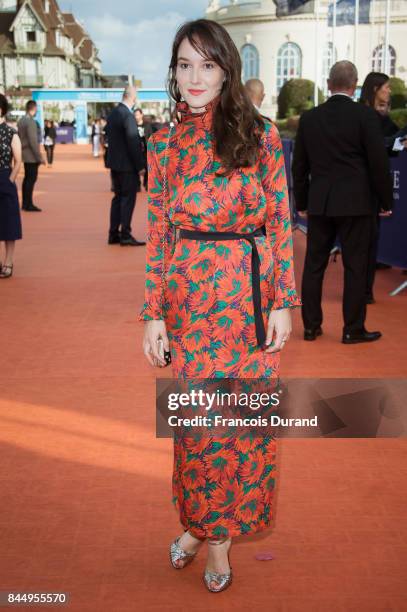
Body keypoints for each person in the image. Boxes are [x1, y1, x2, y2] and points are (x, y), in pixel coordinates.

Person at [139, 19, 301, 593]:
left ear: (228, 69)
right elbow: (158, 233)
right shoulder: (162, 144)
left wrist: (284, 302)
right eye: (184, 65)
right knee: (198, 428)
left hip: (249, 301)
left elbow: (280, 221)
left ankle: (216, 537)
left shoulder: (260, 133)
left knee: (243, 427)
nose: (194, 77)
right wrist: (153, 313)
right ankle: (202, 527)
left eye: (207, 64)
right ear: (173, 72)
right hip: (189, 300)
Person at [292, 61, 393, 344]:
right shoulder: (365, 116)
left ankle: (311, 327)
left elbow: (299, 166)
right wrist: (385, 201)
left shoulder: (310, 118)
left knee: (313, 266)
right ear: (354, 85)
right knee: (356, 266)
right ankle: (353, 329)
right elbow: (378, 163)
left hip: (321, 203)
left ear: (328, 83)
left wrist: (301, 202)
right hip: (357, 203)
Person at [359, 72, 407, 303]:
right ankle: (360, 292)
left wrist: (399, 140)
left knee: (369, 244)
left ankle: (365, 292)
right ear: (375, 88)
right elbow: (376, 145)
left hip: (372, 190)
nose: (389, 91)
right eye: (386, 87)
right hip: (363, 188)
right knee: (361, 245)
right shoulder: (363, 115)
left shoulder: (383, 117)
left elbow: (391, 138)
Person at [105, 86, 146, 246]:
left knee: (117, 198)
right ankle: (125, 234)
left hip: (114, 163)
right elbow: (133, 142)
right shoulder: (128, 116)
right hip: (128, 166)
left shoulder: (113, 113)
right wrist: (140, 166)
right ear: (133, 97)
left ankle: (113, 233)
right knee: (128, 199)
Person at [0, 94, 22, 279]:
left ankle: (8, 261)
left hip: (4, 179)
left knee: (8, 223)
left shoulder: (10, 132)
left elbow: (18, 160)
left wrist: (10, 179)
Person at [17, 100, 44, 212]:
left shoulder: (21, 120)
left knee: (27, 179)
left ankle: (25, 203)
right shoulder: (31, 122)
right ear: (34, 108)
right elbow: (33, 141)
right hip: (32, 155)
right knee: (31, 179)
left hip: (24, 153)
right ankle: (29, 204)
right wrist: (39, 157)